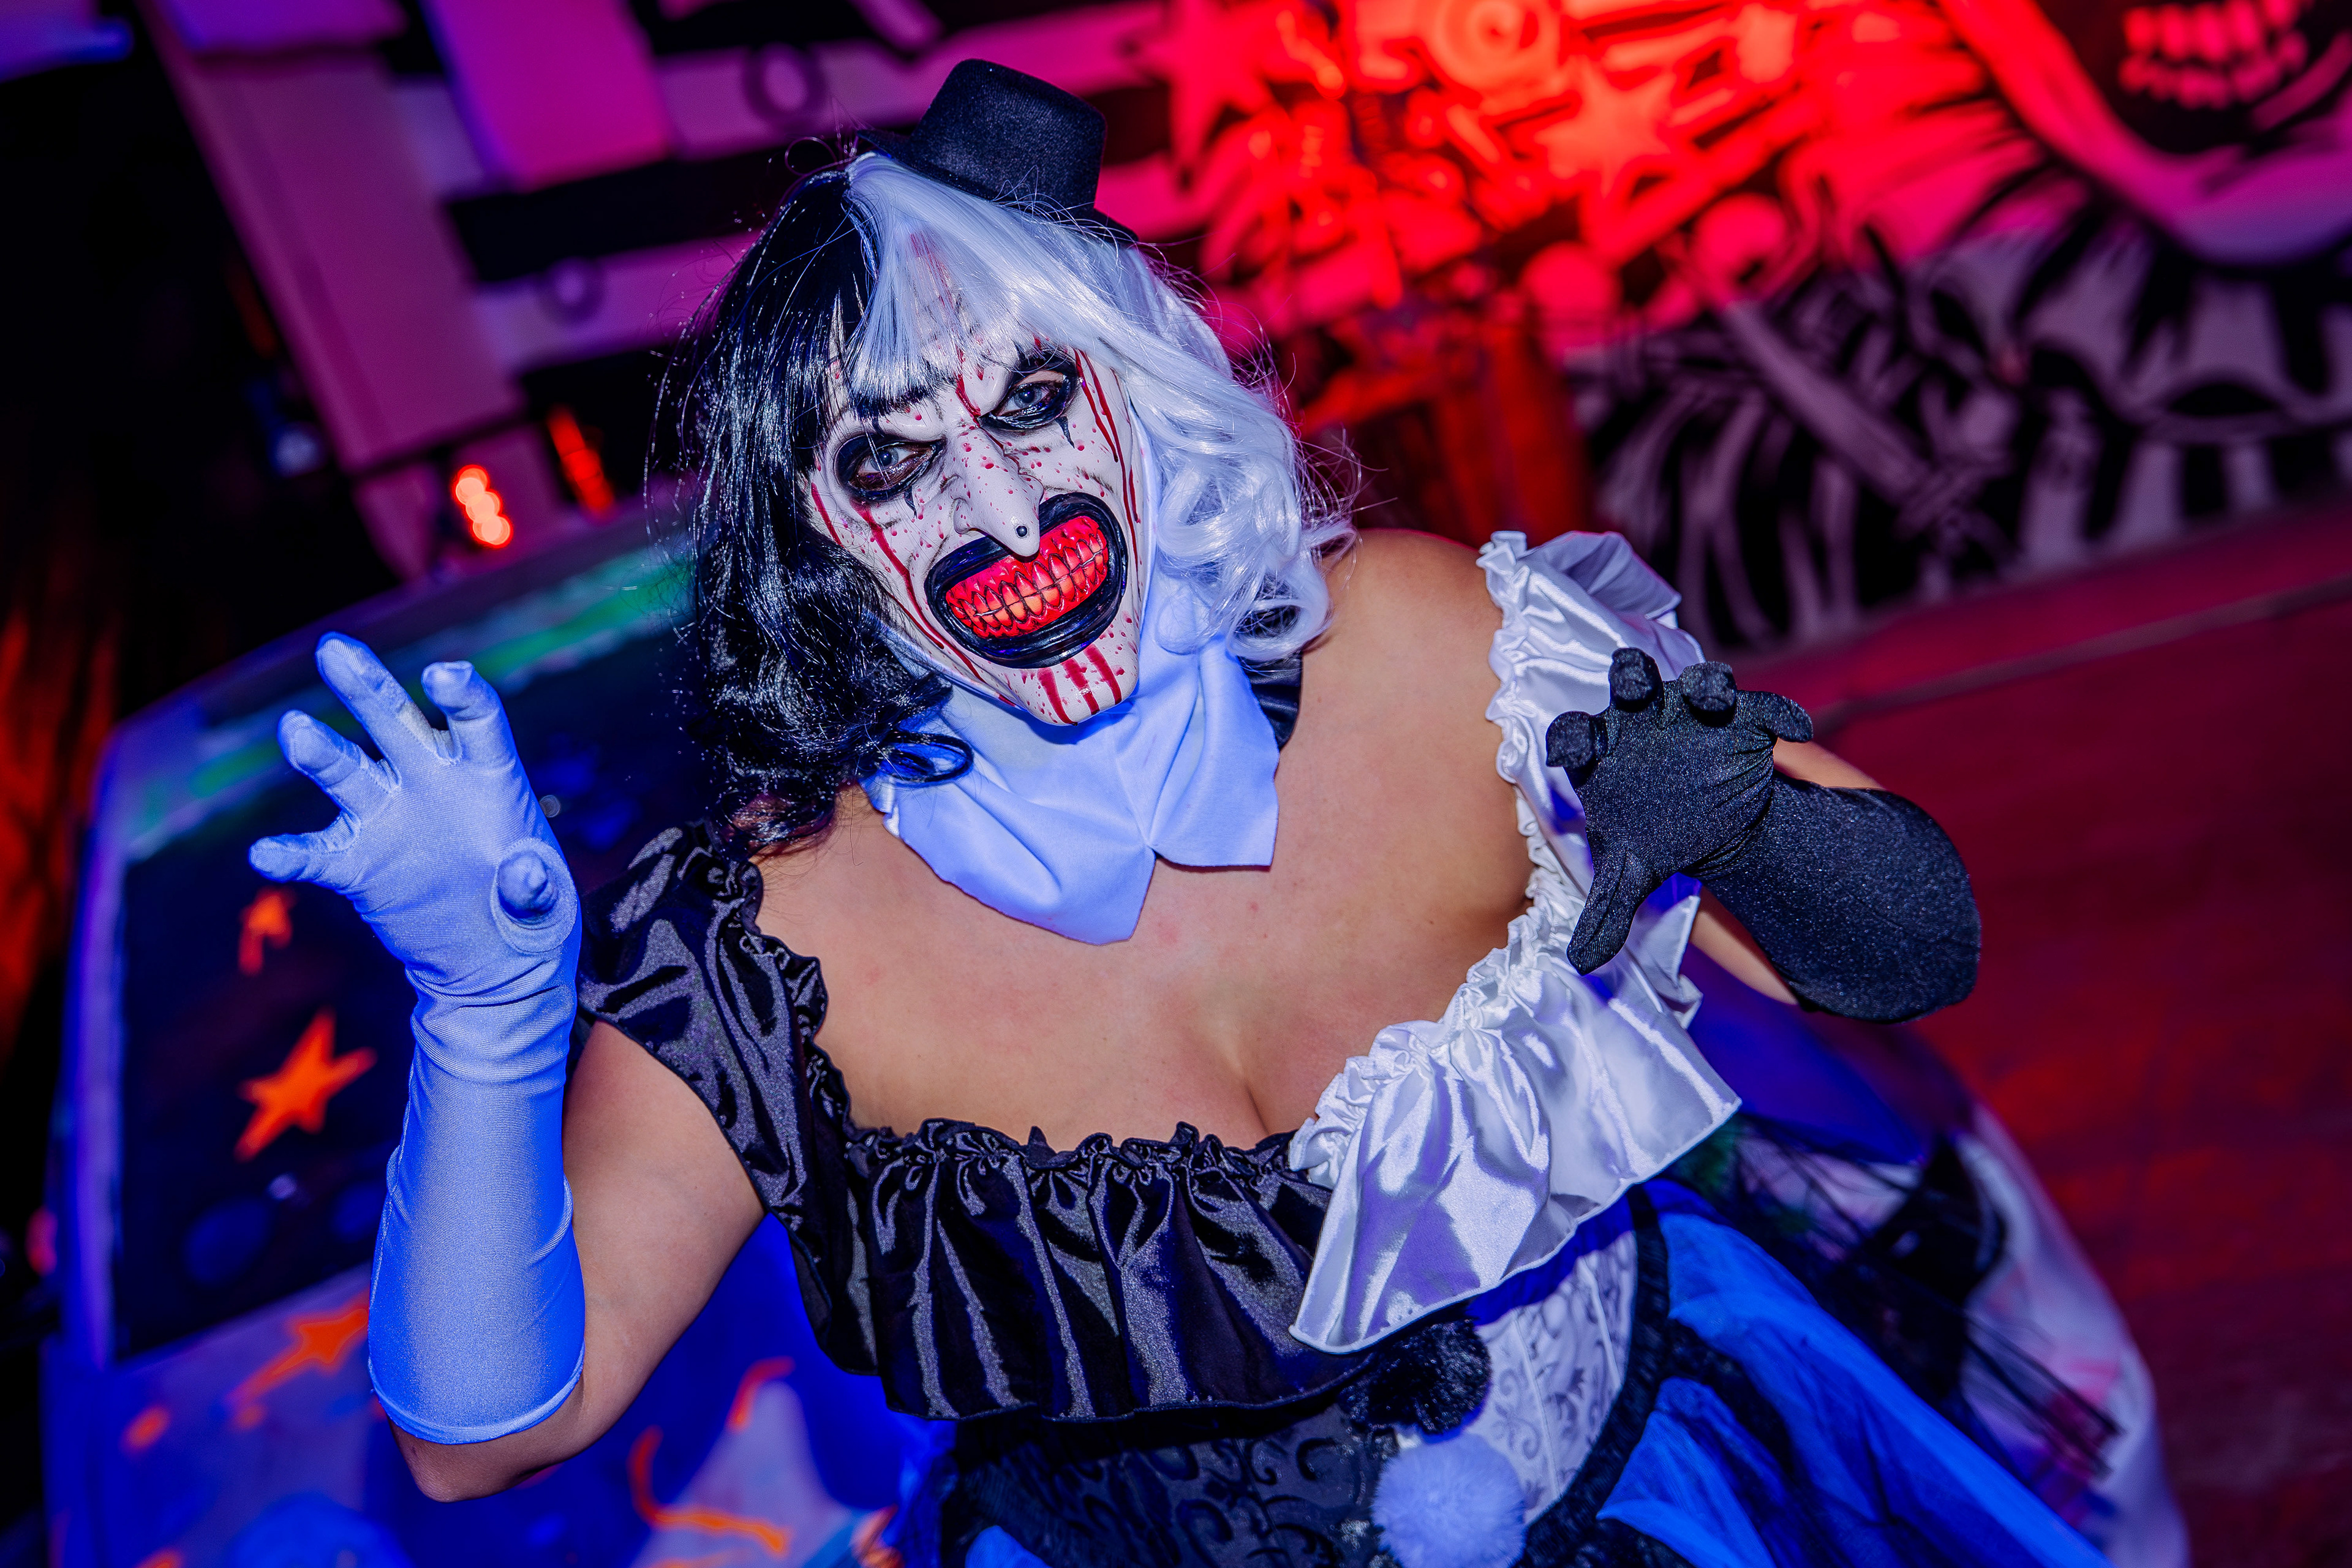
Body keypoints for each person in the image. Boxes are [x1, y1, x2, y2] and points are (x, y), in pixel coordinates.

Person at [249, 61, 2141, 1568]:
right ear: (820, 539)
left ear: (1141, 390)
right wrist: (486, 1016)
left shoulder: (1440, 650)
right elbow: (486, 1436)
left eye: (1032, 402)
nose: (996, 510)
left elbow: (1911, 948)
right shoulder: (783, 944)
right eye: (890, 461)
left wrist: (1716, 794)